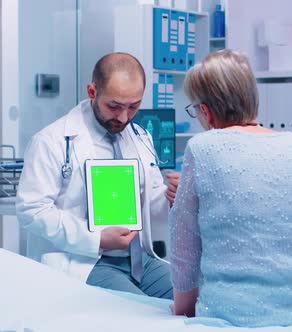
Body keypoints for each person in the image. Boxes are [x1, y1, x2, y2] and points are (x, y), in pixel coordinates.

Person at [169, 49, 292, 326]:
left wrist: (182, 312)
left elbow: (184, 249)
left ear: (206, 113)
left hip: (239, 313)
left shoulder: (202, 148)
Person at [16, 52, 179, 299]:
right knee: (139, 313)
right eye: (114, 106)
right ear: (92, 92)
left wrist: (171, 197)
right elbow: (32, 210)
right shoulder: (51, 141)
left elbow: (150, 204)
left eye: (133, 106)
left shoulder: (140, 137)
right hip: (85, 259)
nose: (124, 117)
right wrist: (96, 238)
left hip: (139, 260)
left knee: (193, 299)